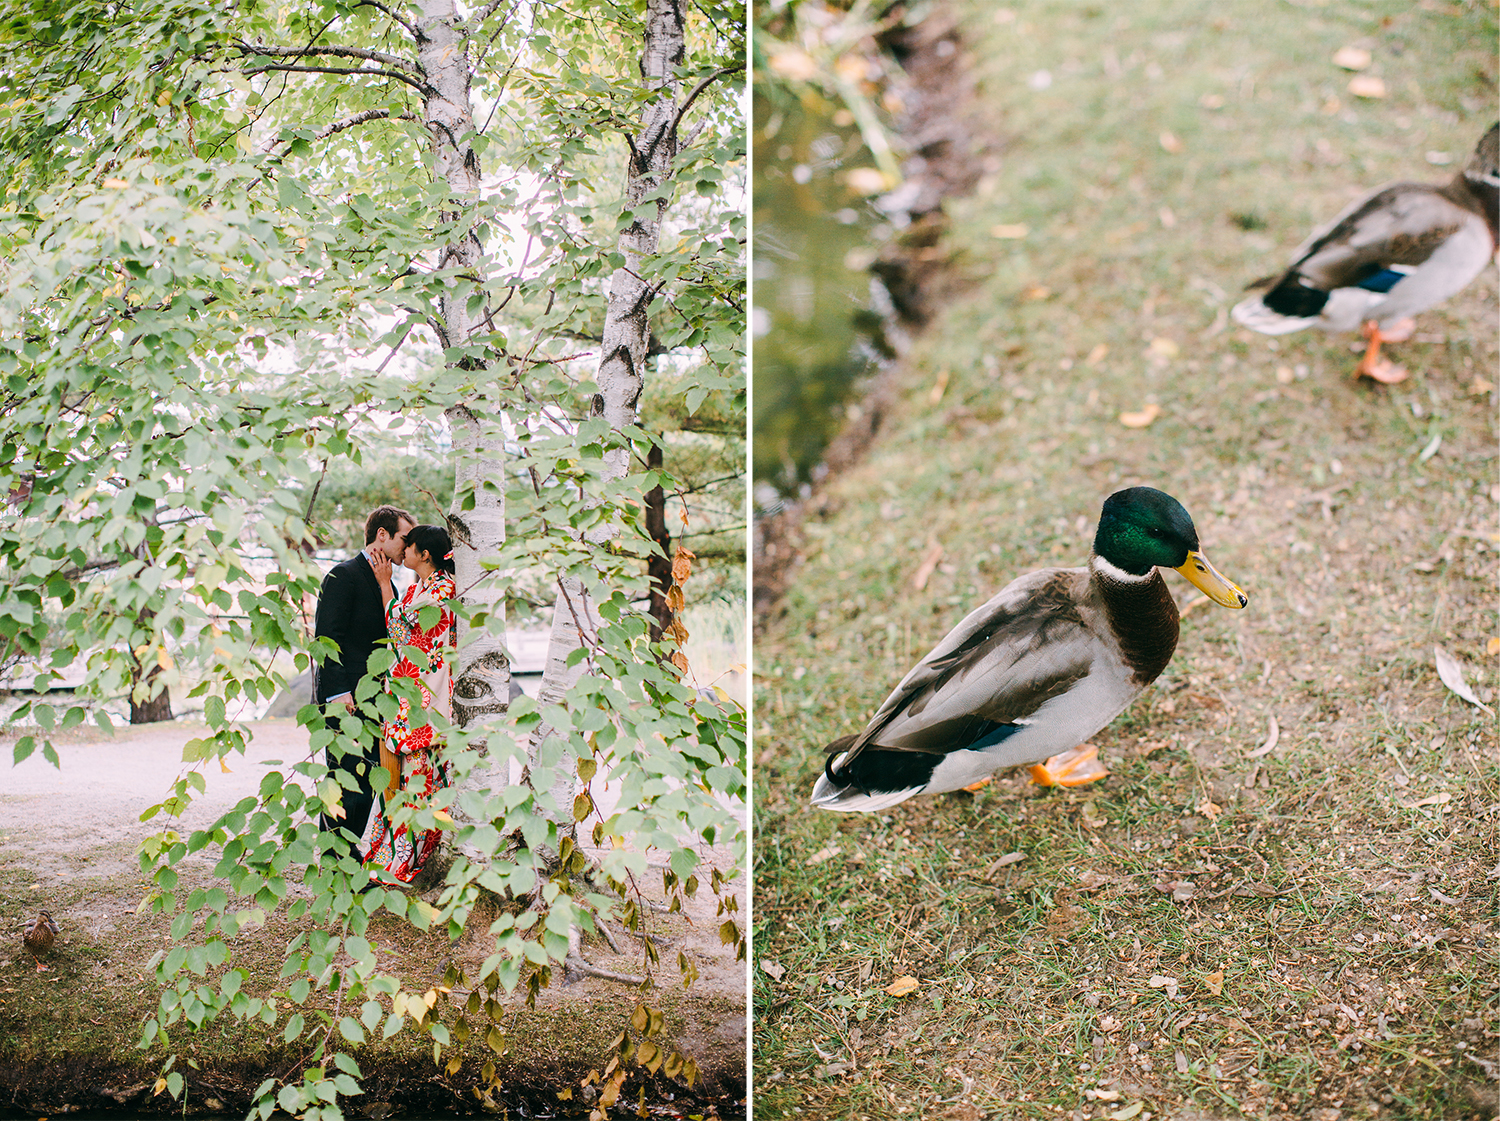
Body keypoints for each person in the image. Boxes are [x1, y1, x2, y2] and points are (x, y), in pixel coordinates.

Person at [313, 504, 416, 857]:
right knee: (345, 781)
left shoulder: (387, 584)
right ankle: (335, 860)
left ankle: (350, 860)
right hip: (346, 701)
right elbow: (326, 640)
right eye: (404, 538)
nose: (408, 545)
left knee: (369, 779)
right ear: (382, 536)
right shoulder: (343, 575)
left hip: (375, 701)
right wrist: (339, 694)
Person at [359, 523, 457, 884]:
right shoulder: (422, 587)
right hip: (413, 694)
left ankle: (410, 858)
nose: (404, 552)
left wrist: (385, 586)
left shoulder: (442, 590)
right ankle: (392, 855)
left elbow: (400, 631)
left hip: (426, 698)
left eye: (409, 546)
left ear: (424, 554)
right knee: (402, 784)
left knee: (420, 782)